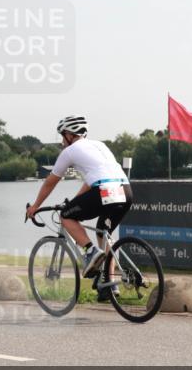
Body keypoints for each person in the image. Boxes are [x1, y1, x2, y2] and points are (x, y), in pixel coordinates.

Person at [25, 116, 133, 301]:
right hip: (126, 191)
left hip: (103, 191)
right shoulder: (100, 145)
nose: (62, 141)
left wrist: (35, 206)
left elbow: (51, 182)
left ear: (69, 135)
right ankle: (109, 284)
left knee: (66, 216)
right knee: (103, 232)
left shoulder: (69, 152)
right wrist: (75, 202)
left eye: (62, 136)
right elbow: (92, 180)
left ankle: (91, 251)